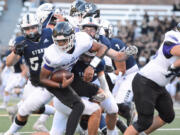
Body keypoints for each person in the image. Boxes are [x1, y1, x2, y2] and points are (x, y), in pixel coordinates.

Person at [40, 21, 138, 135]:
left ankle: (111, 132)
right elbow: (43, 79)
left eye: (64, 41)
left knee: (109, 107)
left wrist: (92, 66)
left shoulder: (84, 43)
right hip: (64, 88)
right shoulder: (55, 56)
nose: (61, 45)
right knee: (91, 111)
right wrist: (60, 85)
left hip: (77, 87)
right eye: (58, 42)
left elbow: (110, 55)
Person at [4, 13, 55, 135]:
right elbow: (9, 63)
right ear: (22, 30)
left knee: (24, 109)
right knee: (33, 110)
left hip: (52, 79)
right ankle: (58, 112)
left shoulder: (49, 34)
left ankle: (10, 132)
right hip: (34, 82)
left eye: (33, 27)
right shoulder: (21, 41)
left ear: (38, 26)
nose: (30, 31)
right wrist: (16, 52)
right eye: (27, 29)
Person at [124, 23, 178, 135]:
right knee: (143, 122)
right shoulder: (172, 36)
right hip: (146, 82)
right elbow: (174, 50)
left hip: (159, 85)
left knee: (168, 115)